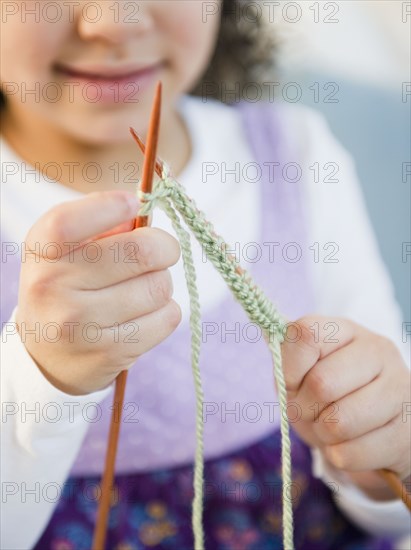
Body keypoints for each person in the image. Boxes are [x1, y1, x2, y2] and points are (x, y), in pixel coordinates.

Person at [1, 1, 410, 549]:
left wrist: (377, 459)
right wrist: (45, 377)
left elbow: (393, 486)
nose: (114, 22)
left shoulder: (296, 155)